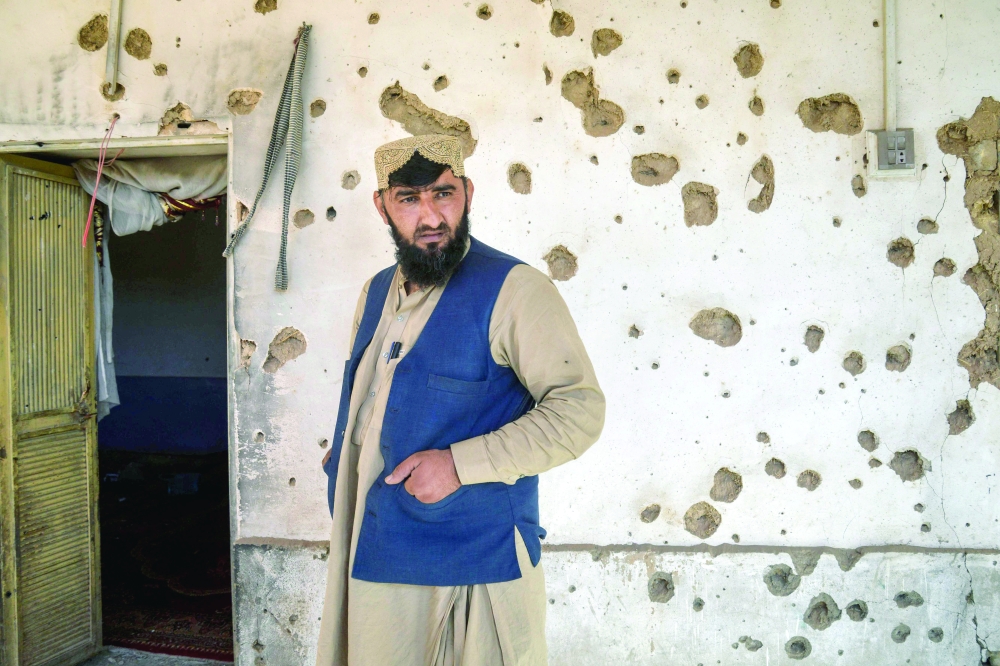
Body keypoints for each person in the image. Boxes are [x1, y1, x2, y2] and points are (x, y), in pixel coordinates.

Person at [315, 134, 605, 666]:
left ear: (468, 194)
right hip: (373, 537)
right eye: (409, 198)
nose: (430, 217)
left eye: (443, 194)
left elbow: (578, 411)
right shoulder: (376, 291)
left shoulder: (516, 289)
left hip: (473, 559)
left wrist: (458, 464)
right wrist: (353, 442)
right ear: (382, 206)